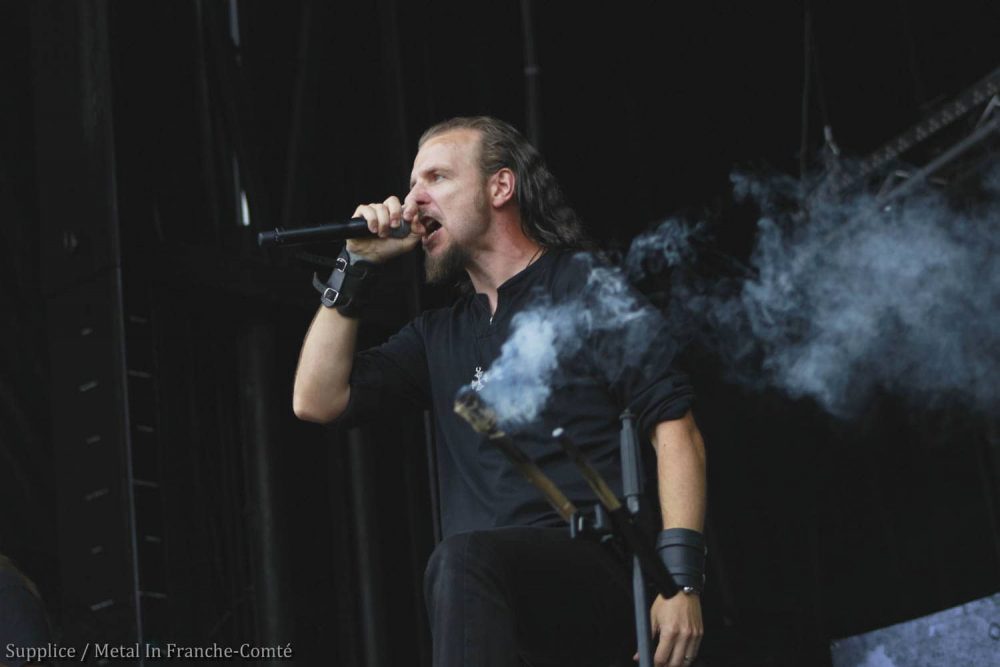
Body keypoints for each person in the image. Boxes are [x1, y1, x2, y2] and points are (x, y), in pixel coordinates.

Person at [293, 116, 707, 667]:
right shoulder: (438, 334)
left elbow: (675, 431)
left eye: (436, 178)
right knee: (462, 565)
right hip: (492, 606)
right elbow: (316, 400)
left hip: (597, 573)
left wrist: (680, 579)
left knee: (463, 559)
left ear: (501, 187)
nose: (412, 202)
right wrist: (355, 266)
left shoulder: (584, 288)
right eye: (411, 185)